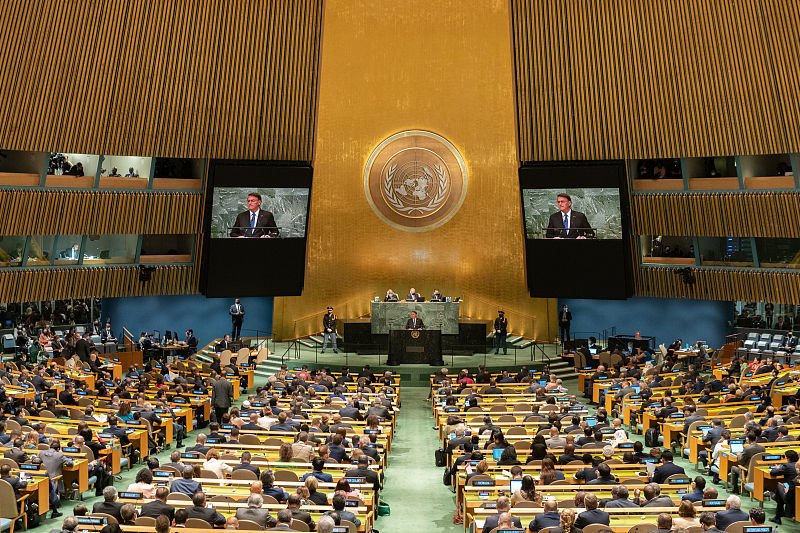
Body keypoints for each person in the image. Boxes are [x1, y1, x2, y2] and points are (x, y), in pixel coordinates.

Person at [769, 449, 798, 524]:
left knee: (779, 485)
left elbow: (772, 473)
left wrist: (777, 468)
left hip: (790, 487)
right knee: (782, 484)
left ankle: (777, 516)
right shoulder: (797, 465)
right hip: (795, 487)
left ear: (787, 458)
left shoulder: (787, 465)